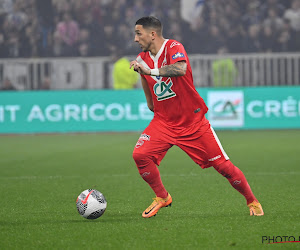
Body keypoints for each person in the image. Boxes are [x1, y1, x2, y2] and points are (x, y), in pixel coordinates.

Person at [130, 16, 264, 218]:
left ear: (153, 34)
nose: (135, 38)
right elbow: (146, 84)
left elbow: (180, 68)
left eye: (138, 33)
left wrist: (151, 71)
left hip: (192, 122)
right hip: (164, 122)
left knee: (223, 167)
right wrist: (152, 102)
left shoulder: (174, 46)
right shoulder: (142, 59)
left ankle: (252, 201)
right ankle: (162, 197)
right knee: (140, 155)